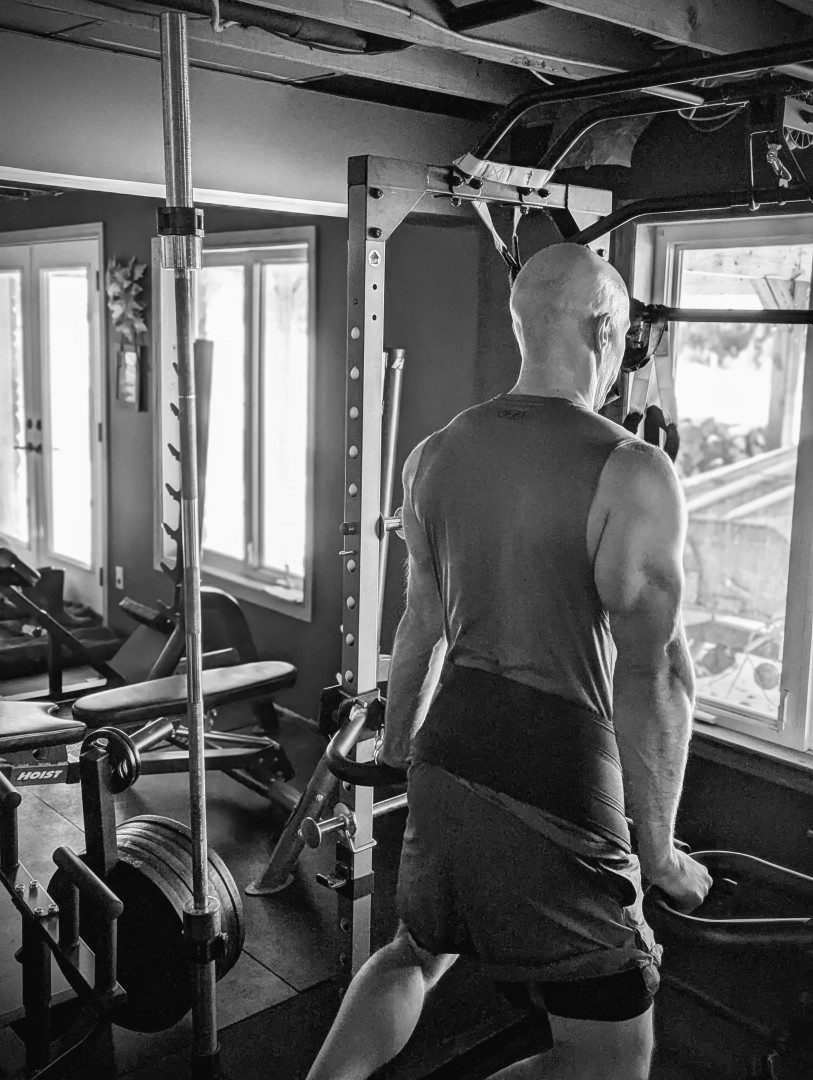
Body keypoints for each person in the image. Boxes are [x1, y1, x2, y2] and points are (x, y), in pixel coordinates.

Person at [306, 242, 712, 1080]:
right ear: (605, 330)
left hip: (448, 745)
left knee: (413, 951)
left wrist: (396, 753)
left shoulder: (433, 453)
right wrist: (660, 853)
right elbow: (657, 674)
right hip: (556, 772)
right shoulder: (633, 471)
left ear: (521, 325)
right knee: (609, 1062)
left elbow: (419, 624)